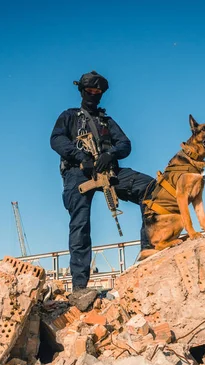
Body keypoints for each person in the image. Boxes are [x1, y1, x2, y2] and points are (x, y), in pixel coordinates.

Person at [50, 71, 155, 309]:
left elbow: (125, 144)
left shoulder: (106, 121)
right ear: (82, 92)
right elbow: (56, 139)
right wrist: (79, 156)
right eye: (90, 92)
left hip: (108, 170)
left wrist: (110, 154)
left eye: (98, 93)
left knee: (151, 188)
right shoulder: (69, 117)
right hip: (78, 172)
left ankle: (149, 255)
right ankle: (80, 288)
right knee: (80, 224)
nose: (94, 96)